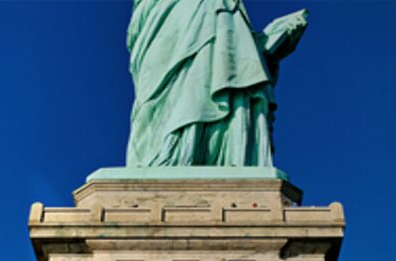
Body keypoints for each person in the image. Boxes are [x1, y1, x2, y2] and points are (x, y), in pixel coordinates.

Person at [125, 0, 308, 167]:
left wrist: (267, 46)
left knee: (206, 73)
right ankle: (166, 156)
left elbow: (238, 63)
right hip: (166, 17)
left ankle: (188, 152)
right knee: (167, 93)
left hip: (213, 13)